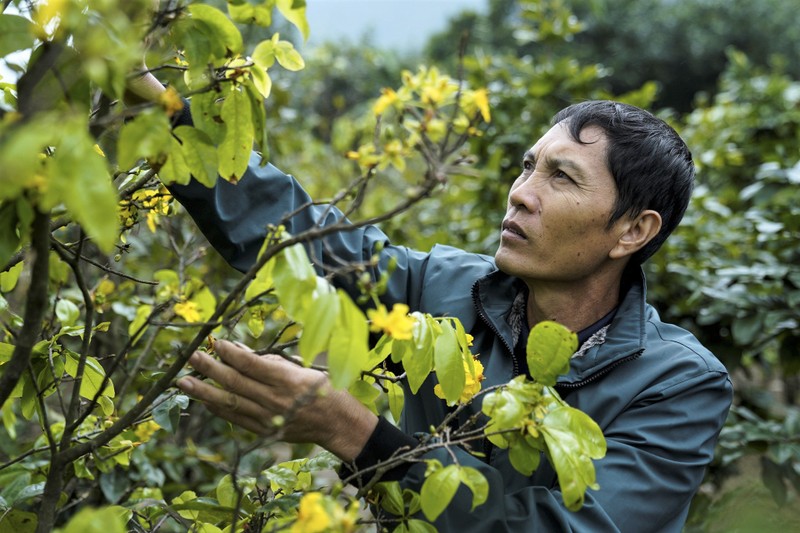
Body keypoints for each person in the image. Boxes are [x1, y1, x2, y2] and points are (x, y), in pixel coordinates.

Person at [129, 74, 732, 531]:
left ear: (632, 231)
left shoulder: (677, 381)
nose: (521, 194)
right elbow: (307, 237)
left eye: (562, 178)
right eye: (528, 168)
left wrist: (354, 432)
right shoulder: (446, 289)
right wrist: (162, 115)